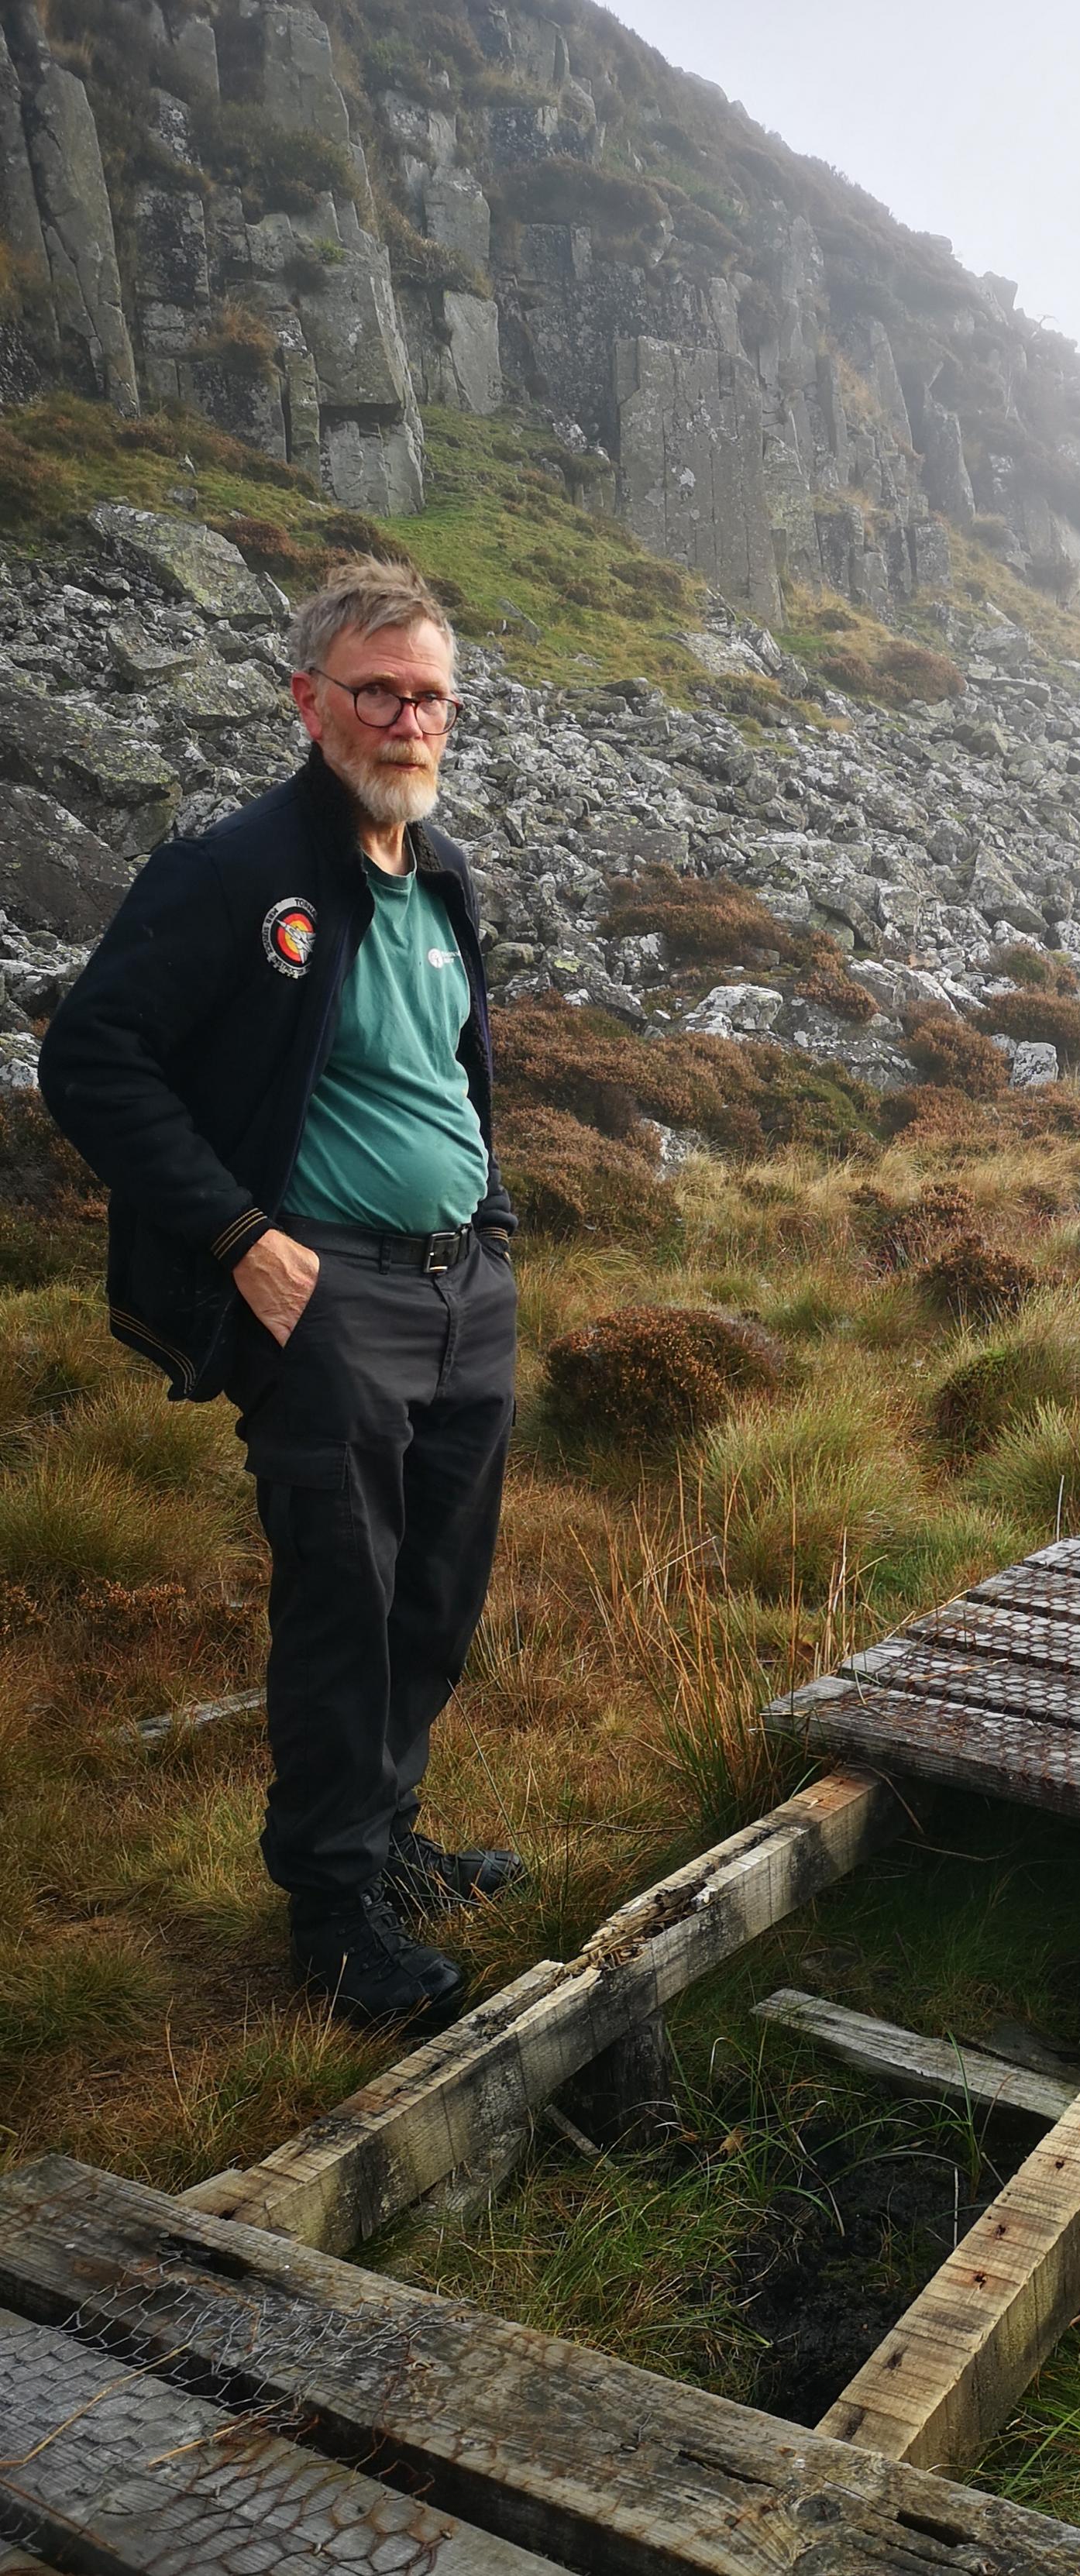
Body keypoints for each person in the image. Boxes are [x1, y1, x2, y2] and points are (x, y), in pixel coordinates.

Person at [40, 555, 523, 2030]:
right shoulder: (239, 865)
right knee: (345, 1595)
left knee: (433, 1596)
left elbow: (447, 1072)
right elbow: (92, 1059)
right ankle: (329, 1914)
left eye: (430, 695)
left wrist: (490, 1220)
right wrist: (241, 1233)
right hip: (326, 1300)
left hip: (463, 1292)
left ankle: (384, 1840)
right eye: (377, 690)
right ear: (310, 698)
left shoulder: (438, 871)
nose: (407, 719)